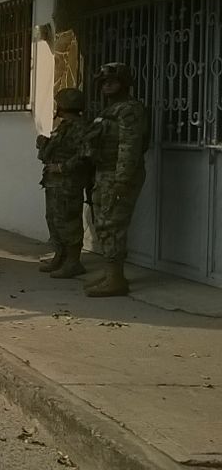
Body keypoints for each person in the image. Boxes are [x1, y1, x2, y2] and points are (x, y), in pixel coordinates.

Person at [83, 62, 151, 297]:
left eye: (112, 81)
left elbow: (129, 146)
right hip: (104, 172)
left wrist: (122, 179)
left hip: (118, 174)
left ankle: (116, 278)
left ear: (125, 83)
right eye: (103, 82)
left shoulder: (129, 110)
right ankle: (112, 272)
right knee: (102, 223)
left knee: (113, 223)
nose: (106, 85)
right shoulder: (109, 111)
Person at [37, 87, 92, 278]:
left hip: (68, 183)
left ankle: (73, 262)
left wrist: (62, 168)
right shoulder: (64, 125)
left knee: (68, 220)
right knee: (53, 219)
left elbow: (85, 155)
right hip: (54, 183)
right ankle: (60, 256)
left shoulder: (80, 127)